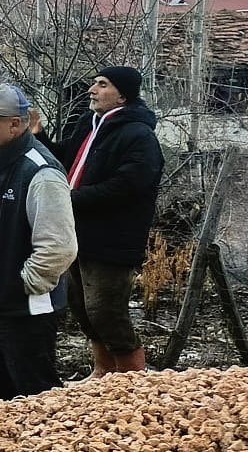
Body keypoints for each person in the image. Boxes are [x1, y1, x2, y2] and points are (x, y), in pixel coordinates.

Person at [0, 83, 79, 403]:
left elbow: (60, 246)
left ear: (15, 124)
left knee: (35, 395)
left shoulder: (41, 172)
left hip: (25, 307)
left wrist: (22, 284)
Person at [40, 65, 164, 374]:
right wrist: (38, 136)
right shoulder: (89, 123)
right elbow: (64, 160)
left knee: (105, 309)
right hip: (78, 232)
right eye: (94, 83)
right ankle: (103, 371)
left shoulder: (139, 135)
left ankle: (132, 377)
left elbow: (129, 185)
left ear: (122, 95)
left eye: (102, 85)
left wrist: (71, 199)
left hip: (113, 237)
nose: (92, 90)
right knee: (82, 306)